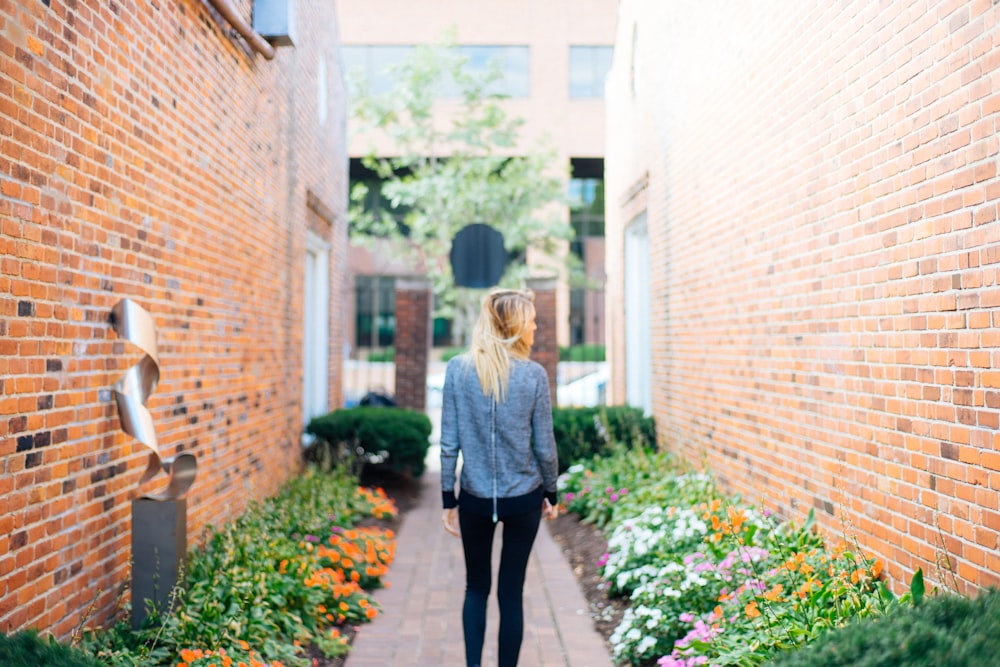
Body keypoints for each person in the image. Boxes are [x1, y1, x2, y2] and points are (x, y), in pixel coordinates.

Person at [440, 287, 560, 667]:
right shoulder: (533, 376)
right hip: (524, 498)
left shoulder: (458, 370)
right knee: (511, 593)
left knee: (476, 588)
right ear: (515, 326)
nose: (536, 327)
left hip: (474, 498)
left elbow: (448, 443)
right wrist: (552, 491)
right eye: (532, 321)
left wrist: (448, 497)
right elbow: (545, 446)